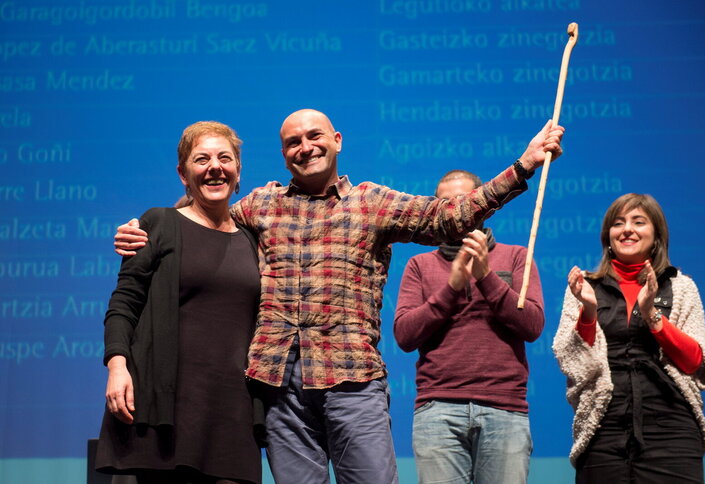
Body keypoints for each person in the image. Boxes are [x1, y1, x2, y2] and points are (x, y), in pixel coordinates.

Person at [115, 109, 564, 484]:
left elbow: (449, 217)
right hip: (279, 388)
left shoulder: (372, 203)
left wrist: (523, 165)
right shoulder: (261, 205)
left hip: (352, 380)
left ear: (337, 141)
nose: (305, 147)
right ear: (283, 154)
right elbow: (205, 215)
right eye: (293, 142)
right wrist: (148, 230)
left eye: (315, 136)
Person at [96, 121, 262, 484]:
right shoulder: (159, 223)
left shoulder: (253, 239)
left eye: (225, 158)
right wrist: (117, 367)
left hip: (232, 413)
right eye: (201, 159)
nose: (215, 167)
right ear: (183, 174)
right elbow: (124, 303)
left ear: (238, 171)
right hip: (167, 413)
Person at [393, 170, 544, 484]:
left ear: (483, 206)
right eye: (444, 203)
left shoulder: (516, 256)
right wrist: (452, 287)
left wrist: (486, 277)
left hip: (505, 406)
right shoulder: (420, 265)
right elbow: (405, 336)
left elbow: (532, 326)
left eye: (463, 201)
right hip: (438, 408)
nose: (455, 210)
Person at [552, 193, 705, 483]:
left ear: (656, 236)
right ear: (608, 236)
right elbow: (572, 362)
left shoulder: (681, 286)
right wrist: (588, 311)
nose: (627, 229)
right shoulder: (584, 287)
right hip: (603, 426)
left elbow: (694, 363)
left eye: (638, 222)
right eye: (618, 223)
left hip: (671, 427)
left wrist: (651, 314)